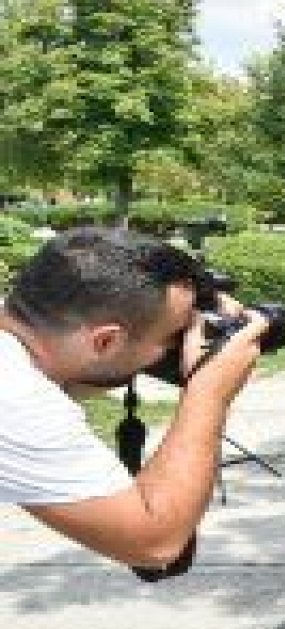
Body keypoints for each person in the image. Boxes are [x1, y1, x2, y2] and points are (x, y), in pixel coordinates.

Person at [0, 227, 267, 568]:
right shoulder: (17, 400)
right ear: (105, 341)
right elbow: (155, 544)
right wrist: (209, 391)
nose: (176, 349)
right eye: (172, 337)